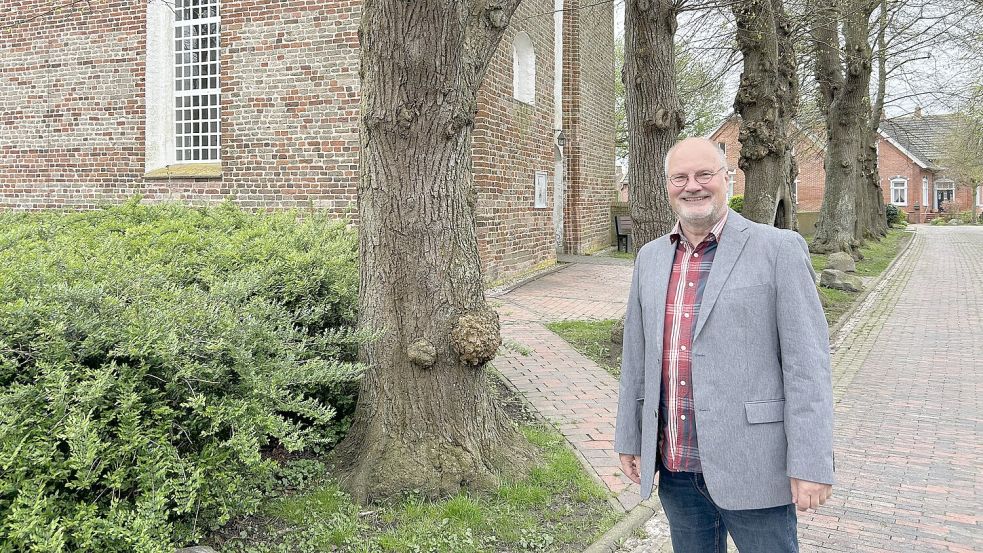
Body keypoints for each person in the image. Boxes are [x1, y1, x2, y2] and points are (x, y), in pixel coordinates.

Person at [614, 137, 834, 552]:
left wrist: (811, 462)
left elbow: (808, 366)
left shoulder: (778, 250)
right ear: (667, 185)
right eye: (680, 177)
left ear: (726, 179)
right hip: (677, 468)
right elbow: (637, 359)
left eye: (704, 175)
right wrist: (630, 437)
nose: (692, 186)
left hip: (755, 465)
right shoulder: (650, 258)